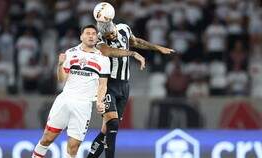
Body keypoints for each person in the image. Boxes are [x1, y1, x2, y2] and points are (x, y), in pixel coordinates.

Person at [87, 20, 174, 158]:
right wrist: (132, 54)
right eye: (106, 36)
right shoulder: (100, 38)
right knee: (113, 124)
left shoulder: (124, 29)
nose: (109, 37)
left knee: (106, 130)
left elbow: (136, 42)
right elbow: (107, 51)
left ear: (114, 28)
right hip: (108, 84)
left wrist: (157, 47)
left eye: (110, 35)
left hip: (124, 86)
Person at [32, 25, 110, 158]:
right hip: (65, 100)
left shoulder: (103, 59)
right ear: (81, 36)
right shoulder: (70, 53)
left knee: (73, 148)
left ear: (97, 37)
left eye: (93, 34)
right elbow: (61, 79)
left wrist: (99, 101)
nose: (91, 36)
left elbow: (103, 85)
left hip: (83, 105)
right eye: (88, 33)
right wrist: (60, 64)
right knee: (47, 139)